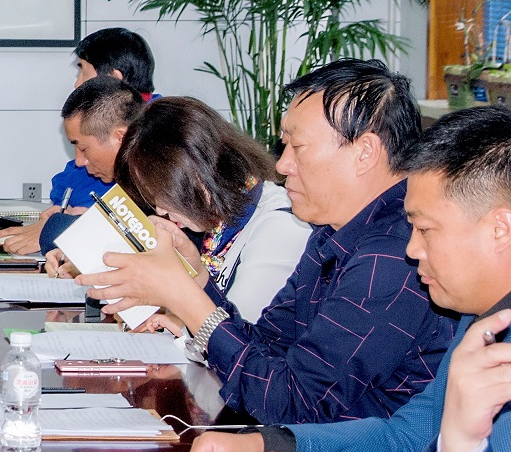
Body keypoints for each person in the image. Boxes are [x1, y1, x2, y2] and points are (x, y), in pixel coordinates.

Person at [183, 107, 511, 452]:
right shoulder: (481, 316)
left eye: (426, 229)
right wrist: (271, 445)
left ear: (500, 228)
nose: (411, 250)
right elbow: (408, 440)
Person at [98, 60, 452, 425]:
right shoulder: (332, 234)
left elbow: (290, 402)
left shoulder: (394, 255)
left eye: (298, 146)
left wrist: (184, 298)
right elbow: (266, 346)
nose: (282, 165)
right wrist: (197, 281)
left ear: (365, 152)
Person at [72, 97, 311, 324]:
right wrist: (190, 274)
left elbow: (239, 335)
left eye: (162, 194)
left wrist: (174, 297)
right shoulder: (221, 222)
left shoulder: (279, 225)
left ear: (196, 174)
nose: (160, 210)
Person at [4, 28, 156, 256]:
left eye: (83, 71)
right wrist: (68, 218)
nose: (77, 84)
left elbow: (140, 232)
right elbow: (68, 184)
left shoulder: (159, 136)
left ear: (112, 80)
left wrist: (67, 226)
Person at [25, 77, 144, 257]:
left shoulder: (160, 182)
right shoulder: (132, 181)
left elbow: (143, 241)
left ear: (121, 137)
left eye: (83, 148)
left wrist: (65, 227)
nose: (79, 162)